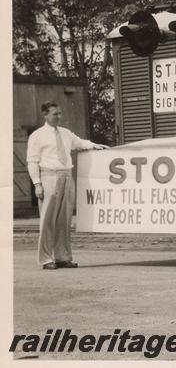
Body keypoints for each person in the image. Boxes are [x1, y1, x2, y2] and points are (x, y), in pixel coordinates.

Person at [27, 101, 108, 270]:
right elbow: (32, 161)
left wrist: (94, 145)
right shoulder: (37, 136)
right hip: (49, 176)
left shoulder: (65, 133)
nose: (59, 117)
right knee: (48, 220)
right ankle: (46, 259)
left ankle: (63, 257)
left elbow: (79, 143)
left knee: (65, 219)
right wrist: (37, 184)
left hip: (66, 176)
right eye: (55, 114)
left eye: (60, 113)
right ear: (45, 115)